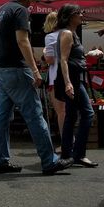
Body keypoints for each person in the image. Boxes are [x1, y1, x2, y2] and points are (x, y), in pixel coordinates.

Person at [0, 0, 71, 176]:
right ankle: (49, 161)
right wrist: (34, 70)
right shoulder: (20, 11)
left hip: (1, 69)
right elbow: (23, 41)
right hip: (16, 69)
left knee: (1, 116)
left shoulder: (1, 10)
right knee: (34, 114)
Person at [54, 3, 98, 168]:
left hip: (76, 77)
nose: (82, 15)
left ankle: (68, 154)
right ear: (71, 16)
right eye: (79, 13)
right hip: (73, 79)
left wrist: (89, 55)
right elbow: (63, 60)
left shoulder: (72, 33)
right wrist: (68, 83)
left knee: (71, 116)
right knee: (87, 113)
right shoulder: (66, 33)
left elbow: (72, 57)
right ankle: (78, 153)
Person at [41, 12, 65, 141]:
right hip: (70, 77)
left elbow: (50, 60)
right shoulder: (69, 35)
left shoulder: (50, 37)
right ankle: (70, 141)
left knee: (61, 112)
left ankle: (66, 143)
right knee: (68, 112)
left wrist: (45, 53)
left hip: (56, 77)